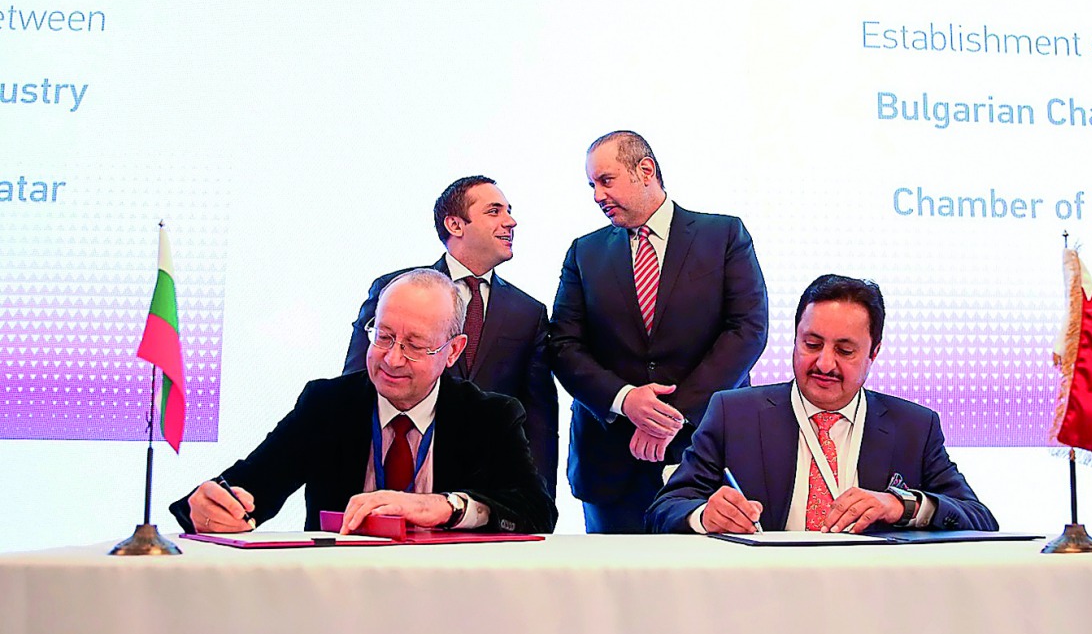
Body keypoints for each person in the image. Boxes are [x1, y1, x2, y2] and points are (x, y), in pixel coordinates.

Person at [170, 269, 556, 535]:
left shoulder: (488, 416)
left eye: (415, 346)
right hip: (340, 598)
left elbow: (537, 513)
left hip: (449, 603)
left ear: (452, 351)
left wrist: (447, 507)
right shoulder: (328, 405)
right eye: (383, 336)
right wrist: (209, 507)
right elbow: (251, 487)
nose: (391, 359)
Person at [647, 274, 998, 535]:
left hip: (872, 601)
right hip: (759, 599)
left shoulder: (914, 427)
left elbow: (980, 519)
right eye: (812, 344)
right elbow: (663, 510)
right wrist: (705, 515)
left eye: (845, 351)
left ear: (873, 353)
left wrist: (900, 505)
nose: (825, 364)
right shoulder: (733, 414)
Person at [549, 130, 769, 533]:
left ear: (645, 170)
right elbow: (563, 347)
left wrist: (671, 414)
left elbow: (747, 331)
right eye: (591, 185)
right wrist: (626, 400)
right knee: (611, 592)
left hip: (702, 455)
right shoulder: (584, 252)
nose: (597, 195)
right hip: (610, 466)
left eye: (606, 180)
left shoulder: (723, 237)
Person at [341, 176, 558, 500]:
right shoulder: (396, 290)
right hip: (398, 477)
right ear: (455, 224)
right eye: (494, 211)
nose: (510, 222)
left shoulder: (528, 312)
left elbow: (538, 418)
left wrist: (539, 500)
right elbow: (357, 383)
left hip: (486, 494)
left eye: (508, 211)